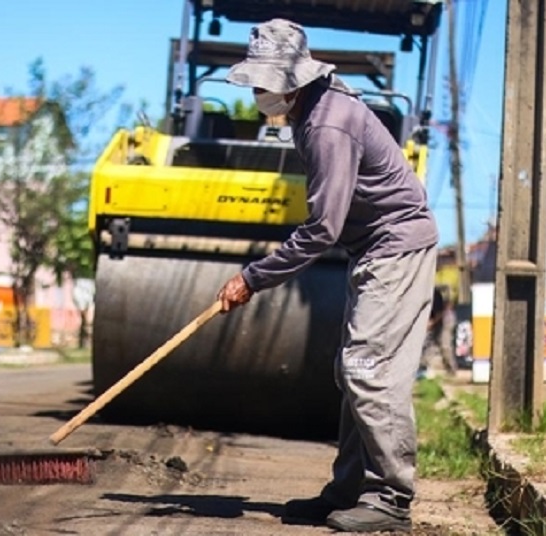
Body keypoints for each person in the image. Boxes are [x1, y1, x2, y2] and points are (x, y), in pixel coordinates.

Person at [216, 19, 439, 534]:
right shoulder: (311, 110)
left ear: (291, 80)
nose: (255, 92)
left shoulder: (328, 123)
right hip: (374, 250)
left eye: (262, 83)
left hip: (395, 248)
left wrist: (253, 278)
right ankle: (349, 490)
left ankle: (392, 498)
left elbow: (322, 228)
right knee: (353, 371)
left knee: (367, 371)